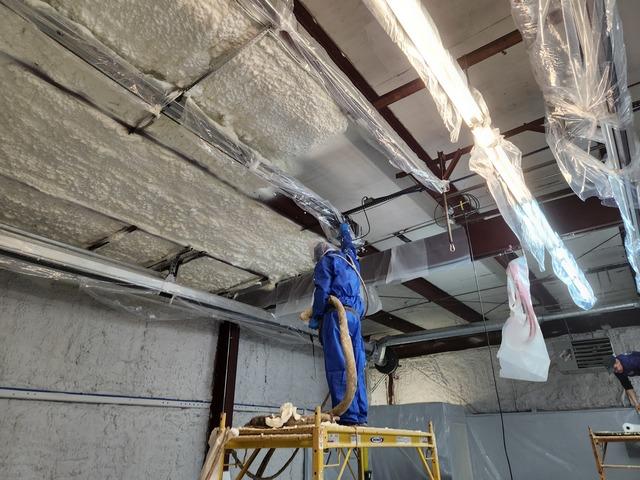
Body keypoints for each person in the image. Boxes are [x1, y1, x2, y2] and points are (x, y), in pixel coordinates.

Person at [310, 222, 367, 425]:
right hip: (354, 318)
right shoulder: (349, 259)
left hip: (337, 315)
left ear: (319, 254)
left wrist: (316, 316)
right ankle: (361, 414)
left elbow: (322, 291)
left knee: (339, 364)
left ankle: (348, 415)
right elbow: (351, 248)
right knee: (357, 365)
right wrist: (345, 234)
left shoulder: (325, 262)